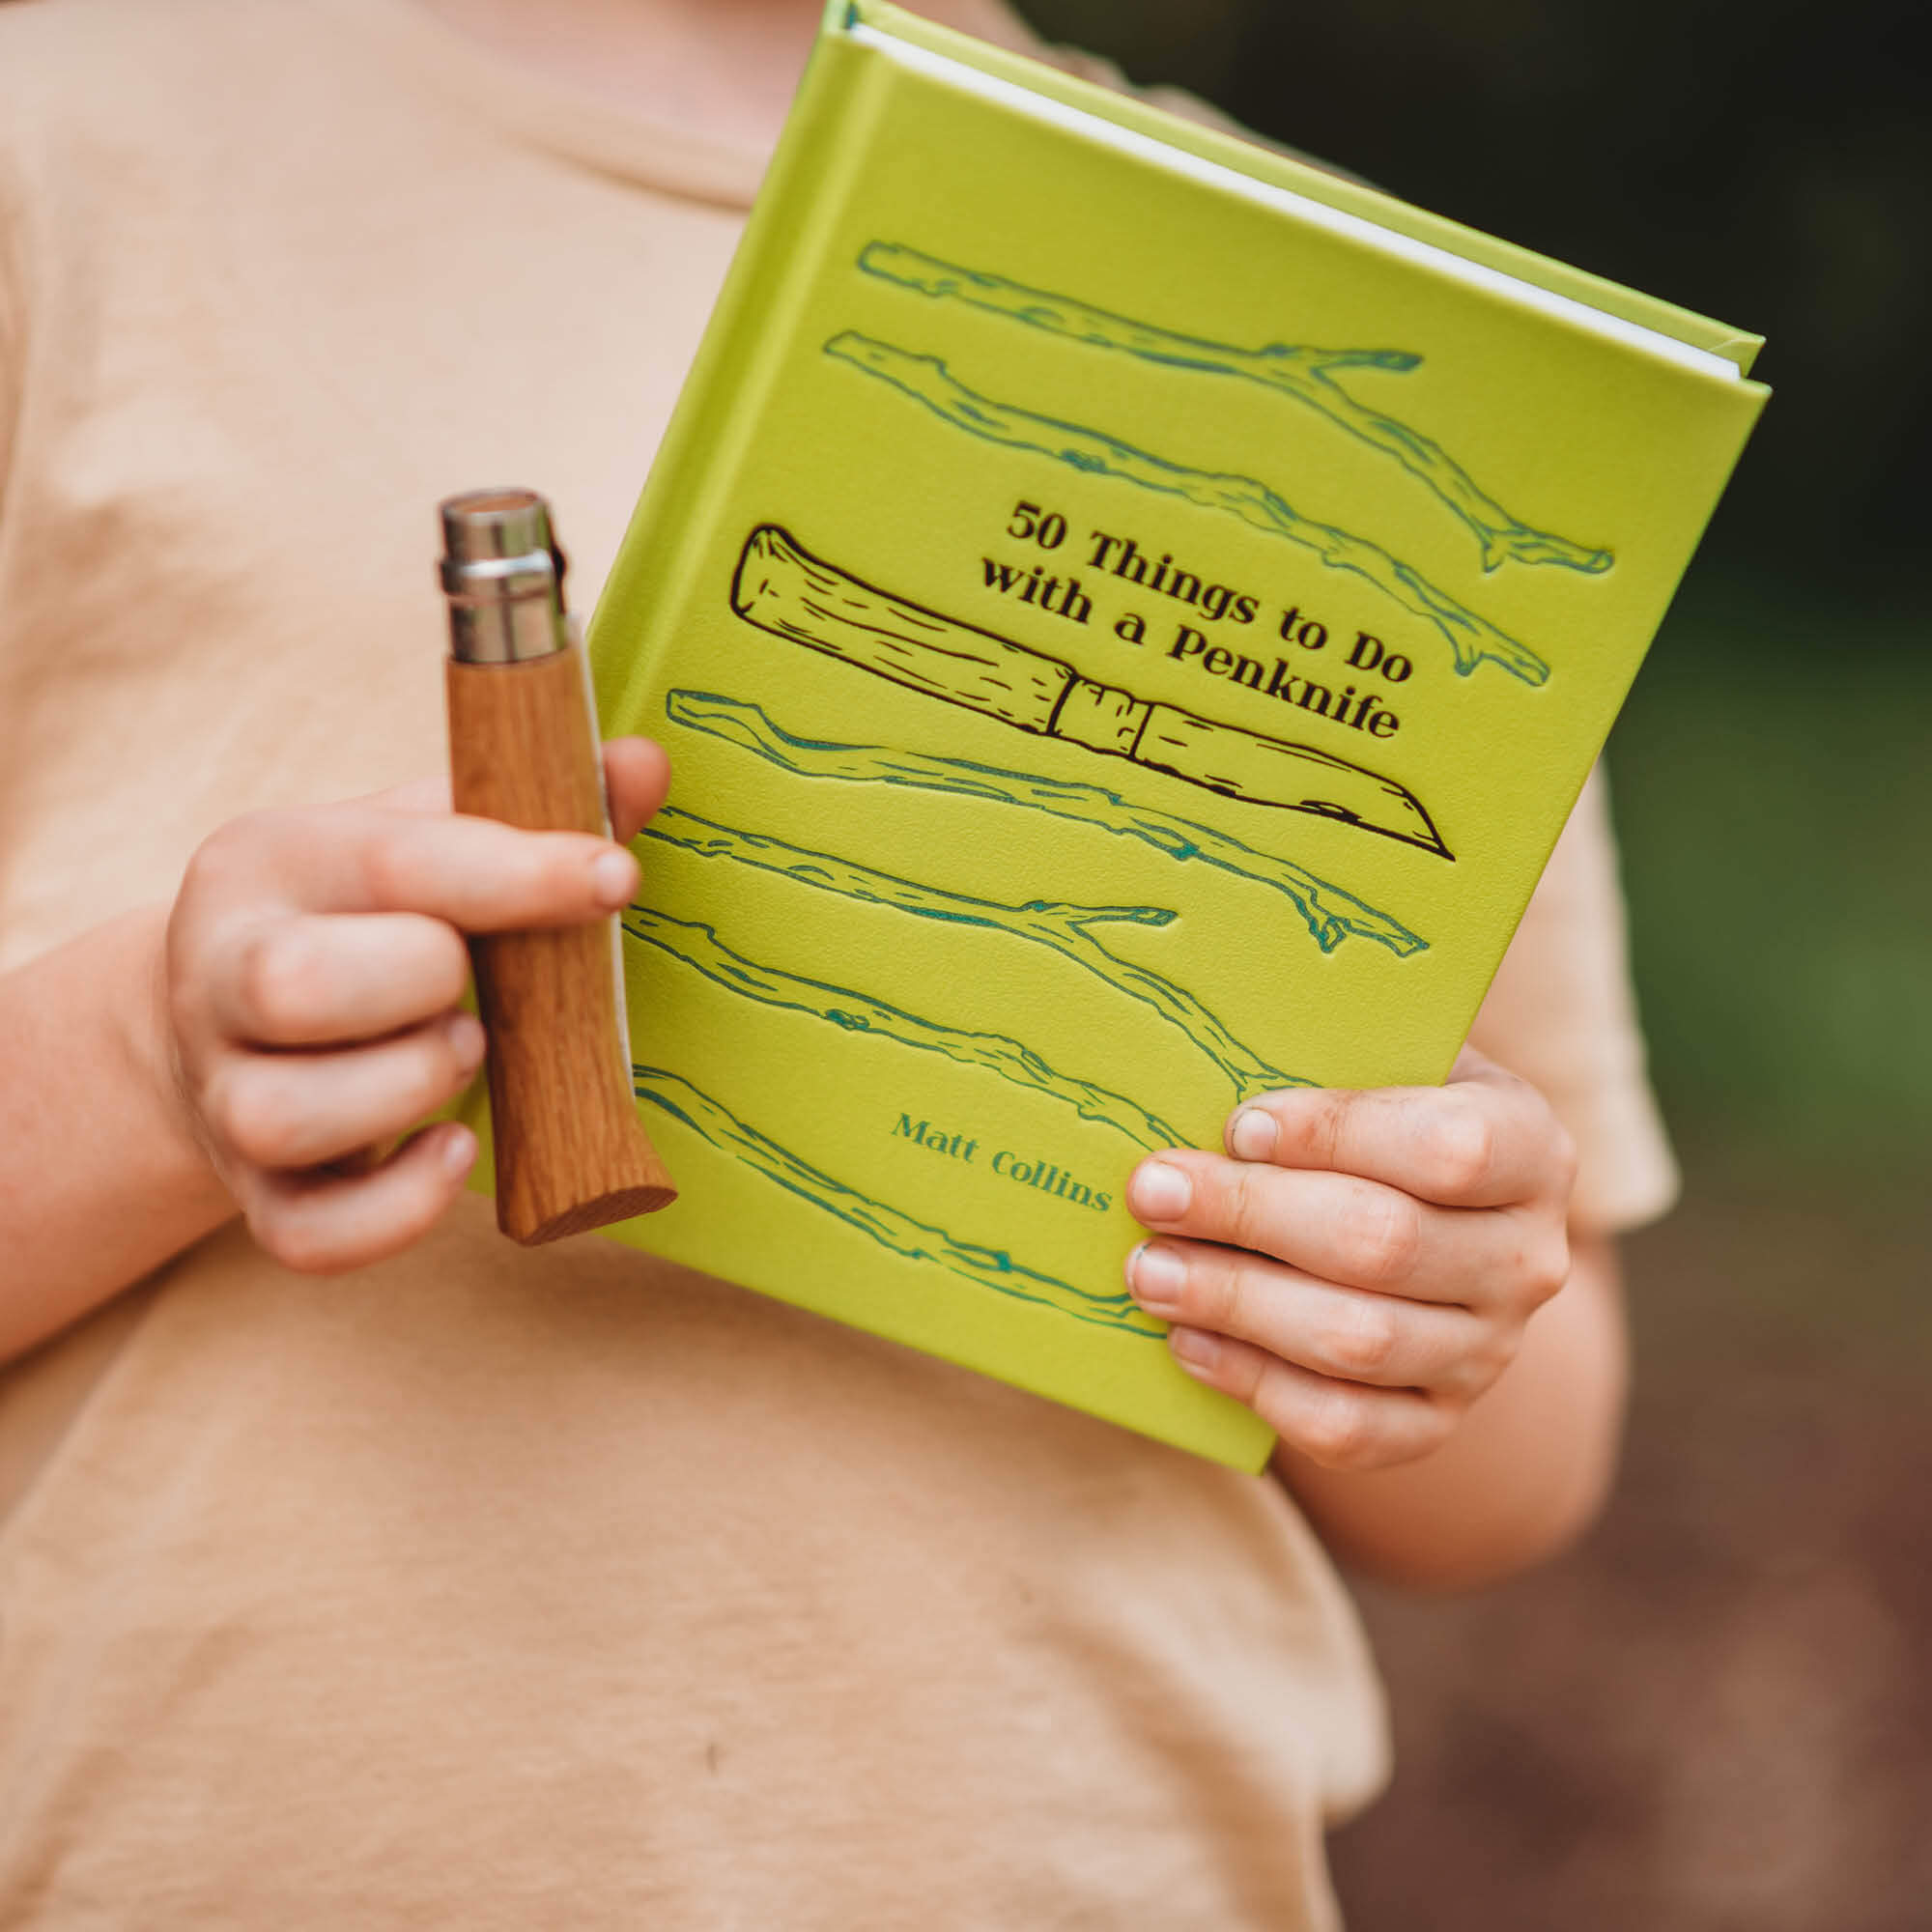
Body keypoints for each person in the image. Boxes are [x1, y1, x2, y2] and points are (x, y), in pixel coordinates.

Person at [0, 0, 1677, 1922]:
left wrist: (1416, 1305)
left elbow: (1517, 1474)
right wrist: (149, 1063)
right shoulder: (65, 149)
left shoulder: (1375, 340)